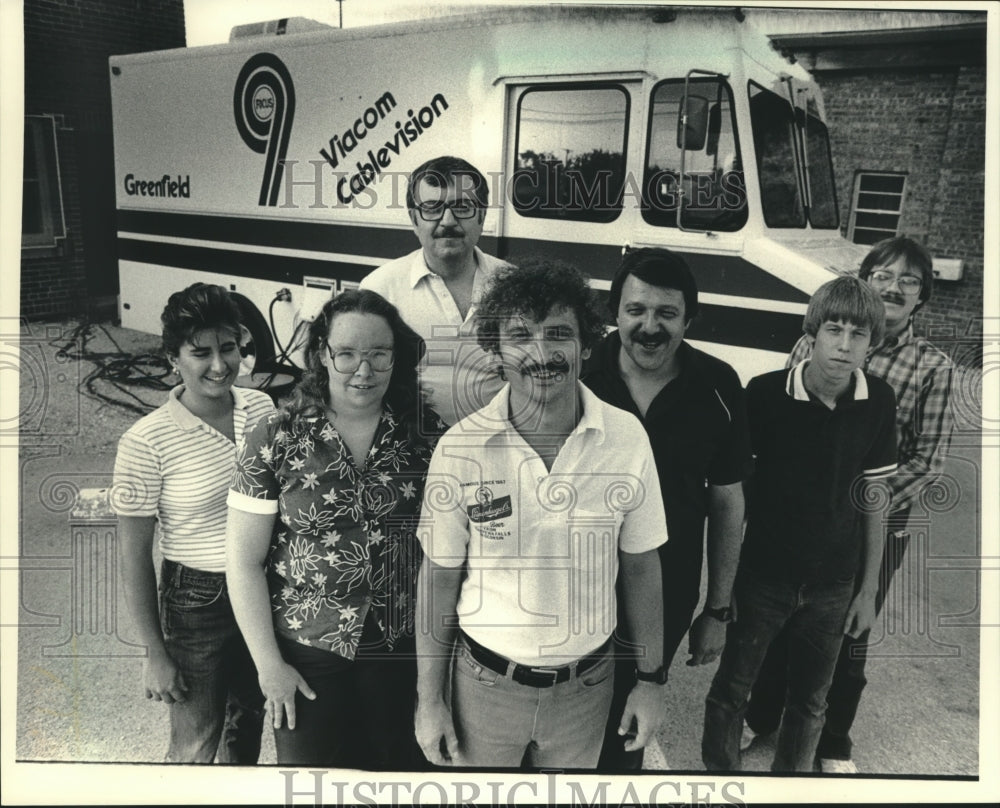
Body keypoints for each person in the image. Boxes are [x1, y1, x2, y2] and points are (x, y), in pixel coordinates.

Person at [414, 260, 668, 769]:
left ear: (587, 345)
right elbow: (438, 578)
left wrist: (650, 681)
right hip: (483, 685)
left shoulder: (626, 438)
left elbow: (642, 569)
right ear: (496, 350)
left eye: (559, 334)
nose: (542, 353)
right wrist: (430, 701)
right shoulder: (460, 448)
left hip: (588, 690)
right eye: (520, 336)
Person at [742, 236, 955, 773]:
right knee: (785, 619)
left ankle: (834, 737)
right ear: (866, 279)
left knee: (850, 628)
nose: (895, 287)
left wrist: (855, 502)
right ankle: (763, 713)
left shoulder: (930, 366)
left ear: (922, 296)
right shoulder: (817, 338)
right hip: (801, 519)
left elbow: (927, 461)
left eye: (910, 281)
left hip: (874, 523)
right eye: (884, 274)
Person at [225, 289, 446, 768]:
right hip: (306, 655)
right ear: (322, 354)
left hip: (398, 653)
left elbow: (445, 557)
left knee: (396, 783)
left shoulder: (427, 438)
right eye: (346, 354)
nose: (362, 371)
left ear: (396, 358)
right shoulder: (274, 437)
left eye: (378, 355)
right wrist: (269, 667)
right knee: (313, 785)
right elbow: (242, 562)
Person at [702, 275, 897, 772]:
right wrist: (722, 592)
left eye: (859, 335)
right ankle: (722, 781)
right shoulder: (764, 394)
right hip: (763, 574)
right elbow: (734, 496)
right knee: (732, 689)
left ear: (873, 344)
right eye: (835, 330)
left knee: (811, 701)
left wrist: (867, 588)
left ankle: (789, 783)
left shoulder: (879, 400)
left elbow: (875, 499)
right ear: (812, 333)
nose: (845, 345)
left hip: (834, 583)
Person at [581, 248, 752, 771]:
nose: (649, 326)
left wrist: (717, 610)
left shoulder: (719, 385)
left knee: (630, 725)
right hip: (575, 583)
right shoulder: (579, 370)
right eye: (636, 310)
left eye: (666, 313)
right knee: (565, 726)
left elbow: (728, 501)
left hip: (667, 589)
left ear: (689, 319)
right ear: (615, 313)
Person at [112, 282, 274, 763]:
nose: (220, 365)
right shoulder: (145, 441)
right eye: (200, 352)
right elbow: (133, 554)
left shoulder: (263, 410)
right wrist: (154, 653)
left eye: (228, 348)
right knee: (196, 741)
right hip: (196, 600)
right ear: (172, 359)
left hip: (264, 587)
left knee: (246, 726)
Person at [359, 154, 507, 426]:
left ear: (482, 216)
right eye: (432, 207)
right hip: (409, 449)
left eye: (463, 207)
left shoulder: (512, 284)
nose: (448, 220)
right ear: (415, 219)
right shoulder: (378, 289)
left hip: (499, 446)